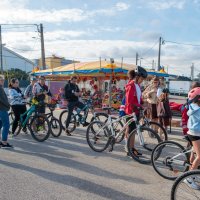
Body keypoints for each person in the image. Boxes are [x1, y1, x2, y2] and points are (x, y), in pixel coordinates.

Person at [124, 66, 147, 156]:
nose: (142, 80)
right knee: (130, 131)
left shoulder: (137, 85)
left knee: (133, 131)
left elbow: (138, 98)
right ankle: (129, 148)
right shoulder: (131, 85)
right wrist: (139, 105)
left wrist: (143, 103)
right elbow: (129, 101)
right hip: (130, 111)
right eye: (142, 78)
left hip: (135, 111)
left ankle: (131, 148)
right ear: (137, 77)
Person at [184, 87, 200, 190]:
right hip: (195, 134)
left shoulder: (193, 106)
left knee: (194, 154)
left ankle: (192, 173)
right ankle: (189, 178)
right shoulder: (198, 109)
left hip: (193, 132)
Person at [0, 75, 13, 148]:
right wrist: (8, 105)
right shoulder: (0, 88)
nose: (2, 81)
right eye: (1, 80)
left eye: (3, 80)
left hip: (1, 109)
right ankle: (4, 142)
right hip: (2, 109)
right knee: (6, 125)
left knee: (1, 124)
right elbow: (3, 99)